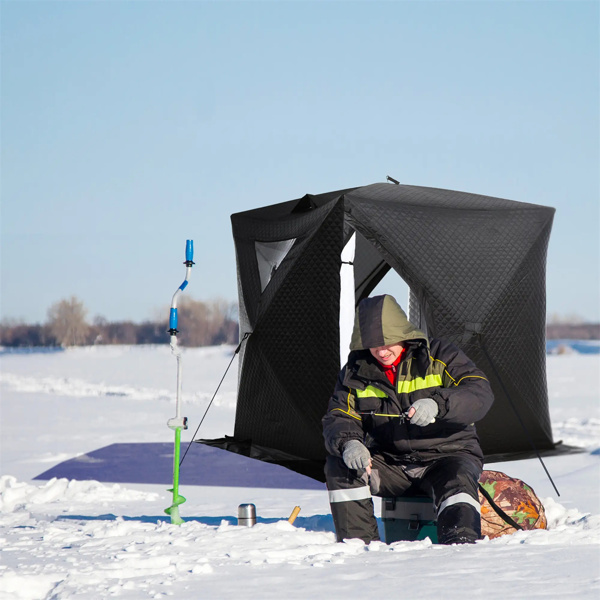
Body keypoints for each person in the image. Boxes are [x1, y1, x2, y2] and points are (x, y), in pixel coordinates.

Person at [322, 294, 494, 545]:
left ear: (404, 333)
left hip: (448, 456)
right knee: (341, 466)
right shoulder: (354, 371)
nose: (382, 351)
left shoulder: (440, 355)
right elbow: (339, 414)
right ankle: (359, 548)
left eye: (389, 342)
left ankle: (460, 547)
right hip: (392, 464)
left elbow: (479, 393)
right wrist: (350, 442)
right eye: (373, 344)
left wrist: (438, 404)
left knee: (457, 479)